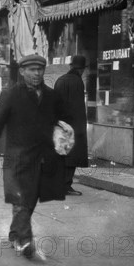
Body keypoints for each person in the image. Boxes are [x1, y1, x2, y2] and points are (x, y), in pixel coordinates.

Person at [0, 54, 67, 259]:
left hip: (42, 159)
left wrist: (63, 136)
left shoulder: (52, 95)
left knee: (29, 200)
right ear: (22, 71)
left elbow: (58, 122)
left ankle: (14, 234)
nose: (37, 73)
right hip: (16, 159)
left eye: (40, 69)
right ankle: (25, 242)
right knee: (20, 199)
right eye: (31, 70)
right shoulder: (11, 94)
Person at [53, 55, 88, 196]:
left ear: (71, 66)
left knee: (61, 154)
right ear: (81, 70)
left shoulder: (60, 80)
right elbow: (78, 107)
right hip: (74, 124)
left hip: (60, 123)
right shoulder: (78, 82)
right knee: (72, 156)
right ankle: (66, 185)